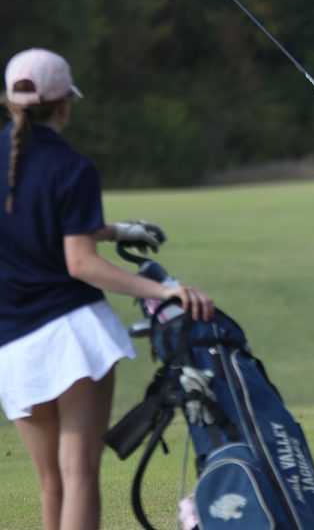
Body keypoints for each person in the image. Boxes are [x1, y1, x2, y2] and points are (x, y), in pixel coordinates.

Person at [0, 47, 215, 530]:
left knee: (50, 484)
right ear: (64, 105)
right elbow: (80, 263)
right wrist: (164, 293)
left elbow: (32, 222)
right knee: (78, 474)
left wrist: (114, 230)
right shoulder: (73, 167)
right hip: (71, 336)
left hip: (11, 344)